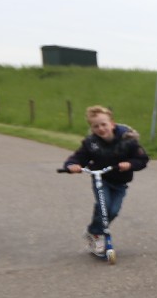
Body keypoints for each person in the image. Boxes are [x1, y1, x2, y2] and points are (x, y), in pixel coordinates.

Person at [63, 105, 149, 255]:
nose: (101, 129)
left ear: (112, 124)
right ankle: (97, 235)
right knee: (103, 207)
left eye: (104, 124)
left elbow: (142, 159)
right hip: (101, 180)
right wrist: (72, 165)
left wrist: (130, 164)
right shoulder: (91, 143)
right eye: (96, 126)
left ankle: (92, 230)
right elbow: (78, 158)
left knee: (113, 210)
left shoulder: (128, 140)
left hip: (120, 182)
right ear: (92, 128)